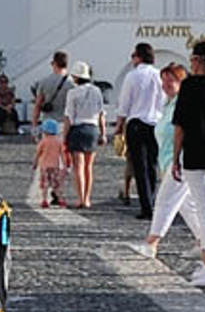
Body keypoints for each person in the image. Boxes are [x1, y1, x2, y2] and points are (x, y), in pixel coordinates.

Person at [142, 39, 205, 287]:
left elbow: (181, 127)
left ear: (198, 61)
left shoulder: (190, 87)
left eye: (191, 59)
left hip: (199, 154)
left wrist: (176, 157)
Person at [115, 44, 166, 215]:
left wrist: (119, 124)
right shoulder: (160, 75)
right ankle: (152, 199)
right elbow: (163, 101)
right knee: (152, 164)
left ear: (138, 57)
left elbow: (124, 103)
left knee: (139, 166)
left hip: (136, 123)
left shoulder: (132, 76)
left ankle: (146, 207)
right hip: (156, 123)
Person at [60, 60, 108, 207]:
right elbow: (101, 114)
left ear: (75, 77)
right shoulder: (97, 91)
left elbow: (69, 116)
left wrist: (64, 136)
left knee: (78, 167)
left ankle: (81, 199)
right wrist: (103, 133)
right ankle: (87, 198)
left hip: (77, 129)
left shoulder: (72, 93)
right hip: (92, 129)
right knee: (89, 166)